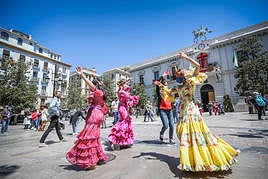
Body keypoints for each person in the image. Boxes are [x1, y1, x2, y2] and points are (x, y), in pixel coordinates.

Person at [173, 52, 239, 171]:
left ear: (183, 75)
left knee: (191, 133)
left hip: (190, 110)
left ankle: (197, 160)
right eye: (176, 75)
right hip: (182, 110)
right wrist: (160, 86)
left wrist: (185, 57)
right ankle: (193, 157)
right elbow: (168, 92)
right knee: (182, 132)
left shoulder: (190, 81)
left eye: (178, 74)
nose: (176, 77)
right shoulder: (179, 87)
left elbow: (198, 66)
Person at [66, 67, 107, 170]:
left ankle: (89, 161)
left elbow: (92, 87)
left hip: (94, 115)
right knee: (93, 137)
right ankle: (96, 157)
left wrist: (82, 75)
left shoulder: (98, 92)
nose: (89, 88)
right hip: (96, 114)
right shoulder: (101, 93)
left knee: (88, 138)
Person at [108, 79, 139, 150]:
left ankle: (123, 141)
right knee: (124, 122)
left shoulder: (123, 92)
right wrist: (134, 98)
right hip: (122, 108)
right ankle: (114, 140)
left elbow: (128, 101)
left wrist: (131, 102)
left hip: (124, 107)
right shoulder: (122, 92)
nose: (127, 85)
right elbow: (129, 97)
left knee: (126, 122)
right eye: (126, 84)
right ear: (122, 85)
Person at [153, 76, 175, 144]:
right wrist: (162, 77)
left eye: (167, 83)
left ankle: (171, 138)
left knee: (172, 125)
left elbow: (171, 99)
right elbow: (156, 82)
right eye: (165, 82)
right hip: (162, 109)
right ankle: (161, 133)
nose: (166, 83)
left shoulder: (169, 91)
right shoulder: (160, 91)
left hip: (170, 110)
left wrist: (173, 103)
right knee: (165, 125)